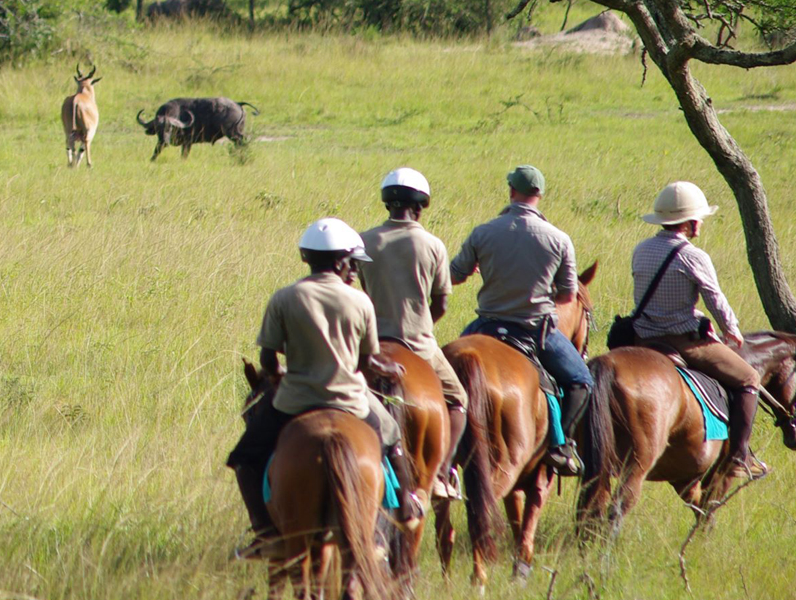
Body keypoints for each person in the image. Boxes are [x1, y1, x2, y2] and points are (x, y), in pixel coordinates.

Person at [227, 217, 423, 559]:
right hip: (352, 400)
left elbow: (269, 360)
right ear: (342, 260)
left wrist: (283, 374)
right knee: (391, 440)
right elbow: (366, 363)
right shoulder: (360, 302)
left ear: (308, 258)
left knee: (244, 458)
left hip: (293, 400)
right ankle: (403, 507)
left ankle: (264, 534)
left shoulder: (284, 297)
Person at [449, 165, 593, 477]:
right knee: (581, 380)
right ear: (539, 195)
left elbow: (455, 275)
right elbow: (569, 296)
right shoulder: (559, 239)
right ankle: (560, 446)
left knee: (446, 370)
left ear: (511, 191)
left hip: (485, 326)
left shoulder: (483, 232)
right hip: (535, 331)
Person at [632, 181, 768, 480]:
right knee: (749, 378)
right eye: (700, 218)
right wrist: (731, 330)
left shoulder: (641, 250)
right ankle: (738, 457)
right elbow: (714, 298)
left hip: (641, 336)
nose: (702, 223)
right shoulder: (694, 256)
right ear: (690, 221)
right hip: (682, 340)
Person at [359, 168, 468, 500]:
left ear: (386, 203)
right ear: (421, 205)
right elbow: (442, 303)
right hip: (419, 344)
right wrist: (423, 324)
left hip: (372, 345)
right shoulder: (432, 244)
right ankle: (443, 473)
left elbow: (360, 294)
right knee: (458, 399)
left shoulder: (363, 242)